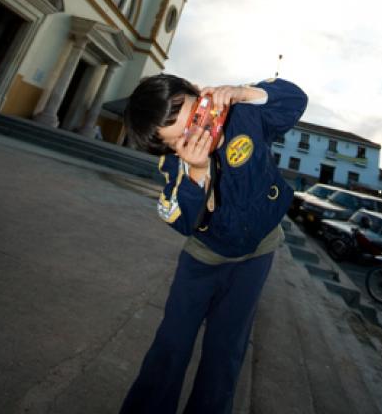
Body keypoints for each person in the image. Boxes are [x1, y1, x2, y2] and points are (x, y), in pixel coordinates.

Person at [118, 73, 307, 414]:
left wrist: (245, 93)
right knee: (172, 343)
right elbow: (180, 217)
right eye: (178, 140)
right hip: (204, 259)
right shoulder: (177, 165)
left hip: (256, 253)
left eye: (194, 119)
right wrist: (197, 171)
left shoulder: (244, 114)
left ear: (200, 94)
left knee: (226, 350)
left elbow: (295, 101)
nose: (196, 136)